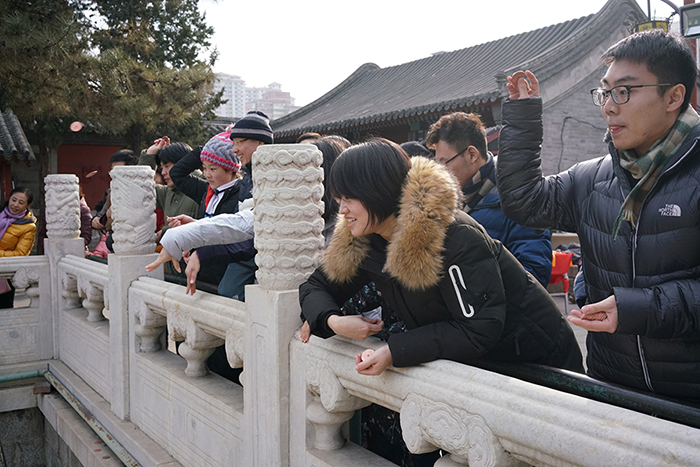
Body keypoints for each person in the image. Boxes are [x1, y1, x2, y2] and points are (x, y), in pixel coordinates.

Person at [497, 29, 700, 400]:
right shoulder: (591, 178)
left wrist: (635, 309)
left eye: (624, 91)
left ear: (674, 96)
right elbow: (524, 201)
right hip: (612, 386)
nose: (608, 106)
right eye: (605, 92)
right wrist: (523, 119)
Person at [300, 138, 583, 374]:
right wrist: (333, 321)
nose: (342, 210)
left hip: (537, 362)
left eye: (349, 199)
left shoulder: (452, 236)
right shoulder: (366, 238)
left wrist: (395, 350)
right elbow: (315, 286)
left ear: (378, 192)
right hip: (478, 365)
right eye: (339, 200)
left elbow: (478, 328)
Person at [425, 112, 553, 289]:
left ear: (472, 154)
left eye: (444, 162)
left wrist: (478, 292)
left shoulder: (517, 198)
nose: (439, 170)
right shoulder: (446, 201)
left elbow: (534, 274)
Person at [0, 187, 36, 308]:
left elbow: (21, 253)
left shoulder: (28, 226)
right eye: (13, 200)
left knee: (3, 310)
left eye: (21, 202)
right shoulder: (1, 213)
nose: (15, 205)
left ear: (27, 205)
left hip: (4, 274)